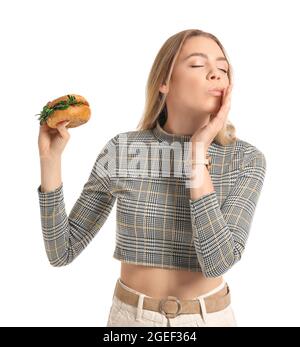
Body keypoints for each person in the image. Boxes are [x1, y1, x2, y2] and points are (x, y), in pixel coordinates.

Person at [37, 29, 267, 327]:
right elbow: (62, 252)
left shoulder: (246, 160)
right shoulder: (123, 150)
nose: (215, 74)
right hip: (131, 320)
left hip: (209, 319)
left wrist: (197, 154)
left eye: (223, 68)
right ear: (164, 82)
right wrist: (50, 160)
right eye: (198, 65)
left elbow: (218, 262)